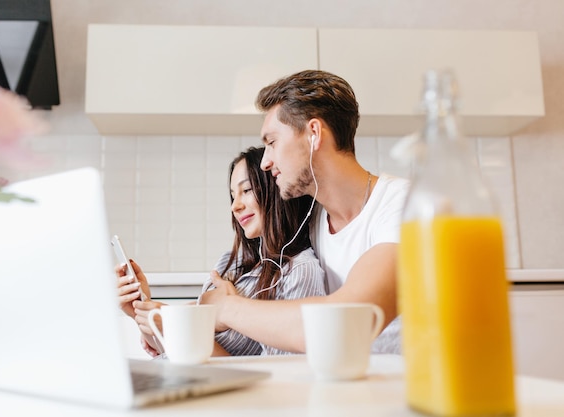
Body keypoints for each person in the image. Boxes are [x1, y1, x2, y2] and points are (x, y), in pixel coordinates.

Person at [200, 70, 410, 354]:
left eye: (272, 143)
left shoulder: (404, 205)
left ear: (314, 133)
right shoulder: (310, 223)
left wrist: (227, 308)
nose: (264, 162)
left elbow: (346, 324)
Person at [117, 146, 326, 356]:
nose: (235, 206)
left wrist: (174, 326)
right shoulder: (232, 262)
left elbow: (279, 374)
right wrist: (140, 310)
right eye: (233, 195)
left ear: (276, 190)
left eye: (246, 191)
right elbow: (174, 351)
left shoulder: (300, 271)